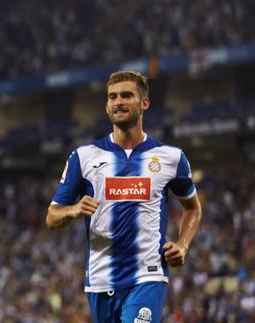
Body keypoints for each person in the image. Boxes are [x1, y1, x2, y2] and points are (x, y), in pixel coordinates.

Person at [46, 71, 202, 323]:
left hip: (148, 275)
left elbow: (193, 208)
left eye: (127, 95)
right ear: (107, 105)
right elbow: (52, 218)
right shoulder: (84, 156)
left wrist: (182, 244)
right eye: (112, 97)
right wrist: (74, 210)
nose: (118, 101)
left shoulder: (171, 157)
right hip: (100, 278)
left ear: (144, 103)